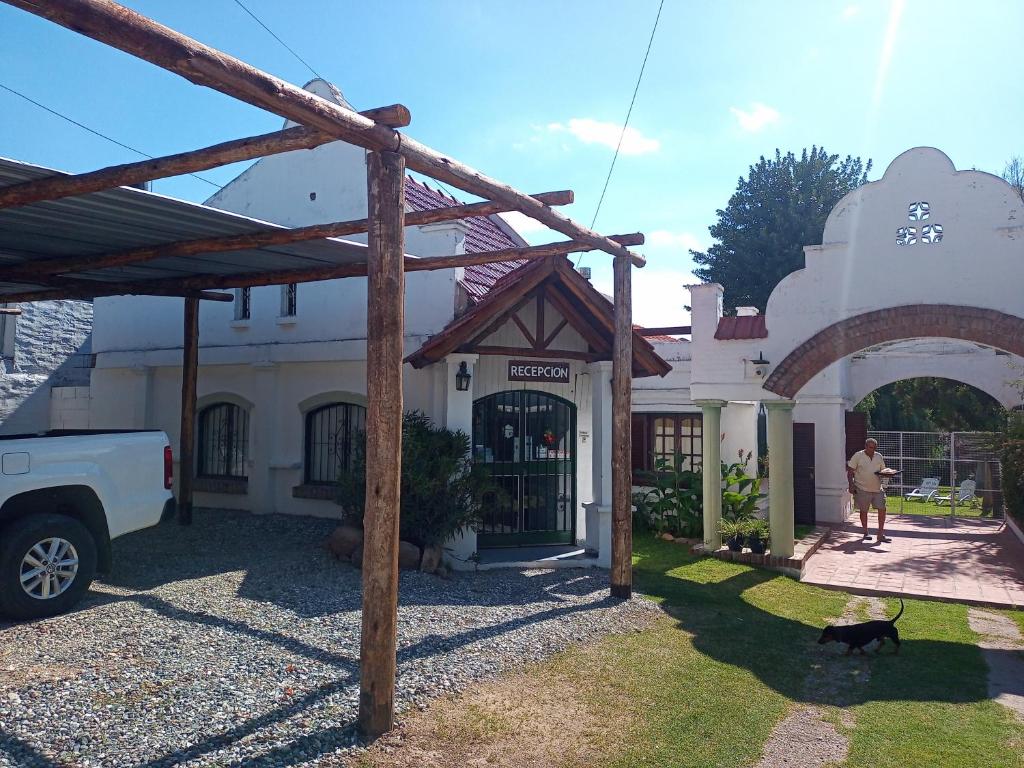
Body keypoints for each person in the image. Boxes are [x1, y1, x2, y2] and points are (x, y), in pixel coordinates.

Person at [847, 438, 889, 543]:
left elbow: (883, 470)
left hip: (877, 489)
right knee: (864, 510)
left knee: (882, 509)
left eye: (875, 448)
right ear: (865, 446)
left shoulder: (879, 456)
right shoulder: (858, 456)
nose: (873, 450)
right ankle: (865, 532)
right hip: (862, 488)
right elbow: (850, 471)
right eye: (871, 447)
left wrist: (888, 474)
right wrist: (851, 485)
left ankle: (880, 534)